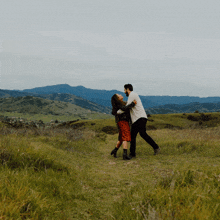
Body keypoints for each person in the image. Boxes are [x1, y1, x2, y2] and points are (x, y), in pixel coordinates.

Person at [122, 84, 160, 157]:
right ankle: (132, 154)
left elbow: (127, 107)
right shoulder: (133, 95)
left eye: (124, 90)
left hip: (140, 118)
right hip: (138, 118)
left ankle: (156, 148)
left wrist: (118, 112)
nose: (124, 92)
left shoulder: (132, 94)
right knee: (134, 135)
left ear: (127, 89)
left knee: (142, 134)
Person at [110, 94, 136, 160]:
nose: (121, 94)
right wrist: (133, 104)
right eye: (119, 95)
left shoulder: (120, 103)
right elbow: (124, 108)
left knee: (121, 138)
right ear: (118, 98)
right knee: (126, 137)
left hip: (120, 122)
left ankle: (114, 151)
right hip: (123, 122)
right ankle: (125, 155)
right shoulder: (119, 104)